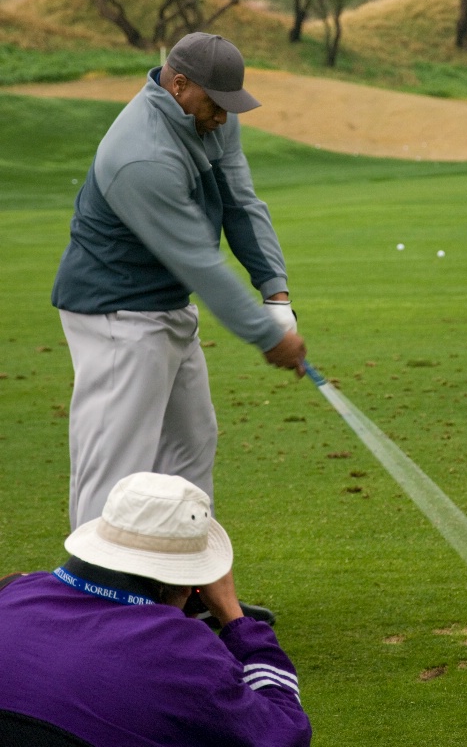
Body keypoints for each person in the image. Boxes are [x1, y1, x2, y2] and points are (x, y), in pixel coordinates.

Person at [51, 31, 307, 533]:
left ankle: (182, 586)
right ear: (180, 85)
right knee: (116, 464)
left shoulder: (212, 120)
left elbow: (241, 202)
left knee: (190, 445)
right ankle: (94, 603)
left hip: (167, 306)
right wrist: (266, 335)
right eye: (215, 104)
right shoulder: (141, 155)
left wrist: (276, 297)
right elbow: (197, 260)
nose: (222, 117)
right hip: (115, 315)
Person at [0, 472, 312, 747]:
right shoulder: (187, 655)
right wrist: (233, 615)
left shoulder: (13, 591)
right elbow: (287, 732)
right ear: (187, 585)